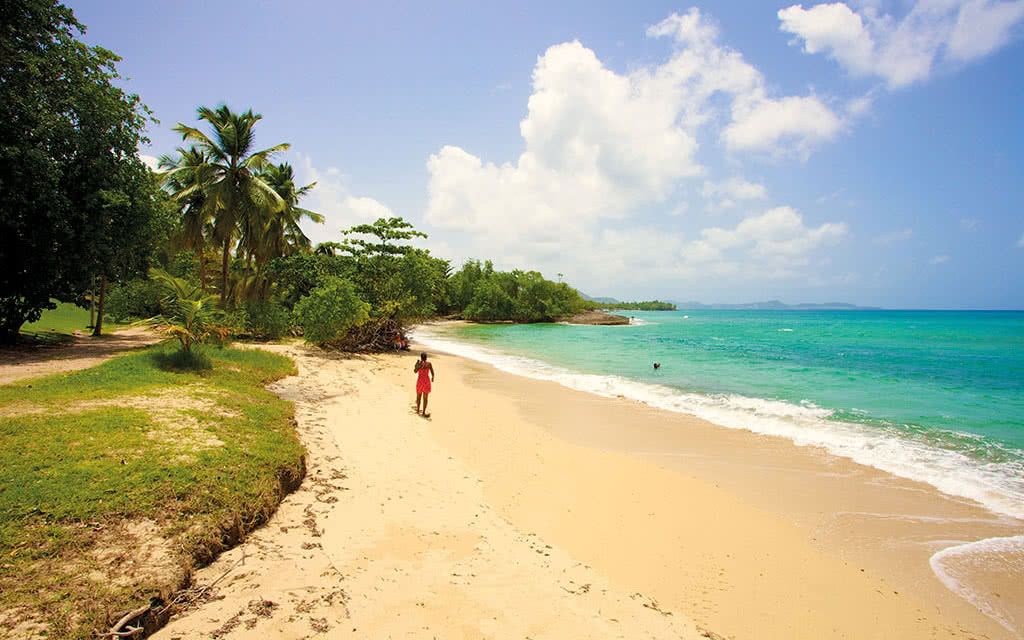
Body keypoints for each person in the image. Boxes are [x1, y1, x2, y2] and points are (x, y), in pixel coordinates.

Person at [413, 352, 435, 416]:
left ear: (421, 357)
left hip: (420, 381)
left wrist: (417, 365)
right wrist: (432, 378)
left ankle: (417, 410)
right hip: (426, 381)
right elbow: (432, 372)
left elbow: (415, 371)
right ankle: (423, 412)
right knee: (425, 398)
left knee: (418, 396)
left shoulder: (419, 363)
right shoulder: (429, 364)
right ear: (426, 357)